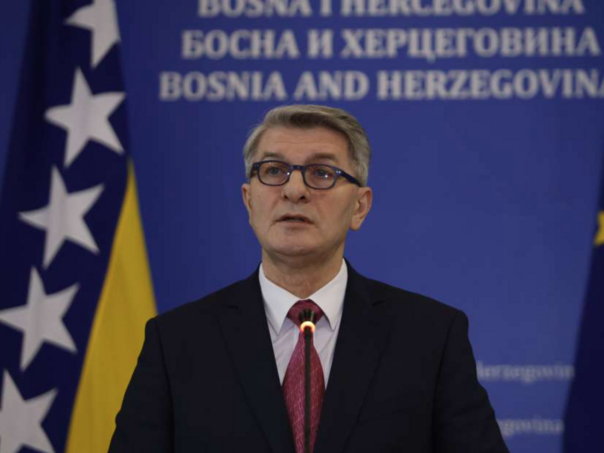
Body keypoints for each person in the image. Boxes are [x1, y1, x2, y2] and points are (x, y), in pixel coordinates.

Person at [109, 105, 509, 453]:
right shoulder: (177, 342)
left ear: (360, 207)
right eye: (274, 170)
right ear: (249, 201)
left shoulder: (430, 337)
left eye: (321, 173)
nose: (294, 190)